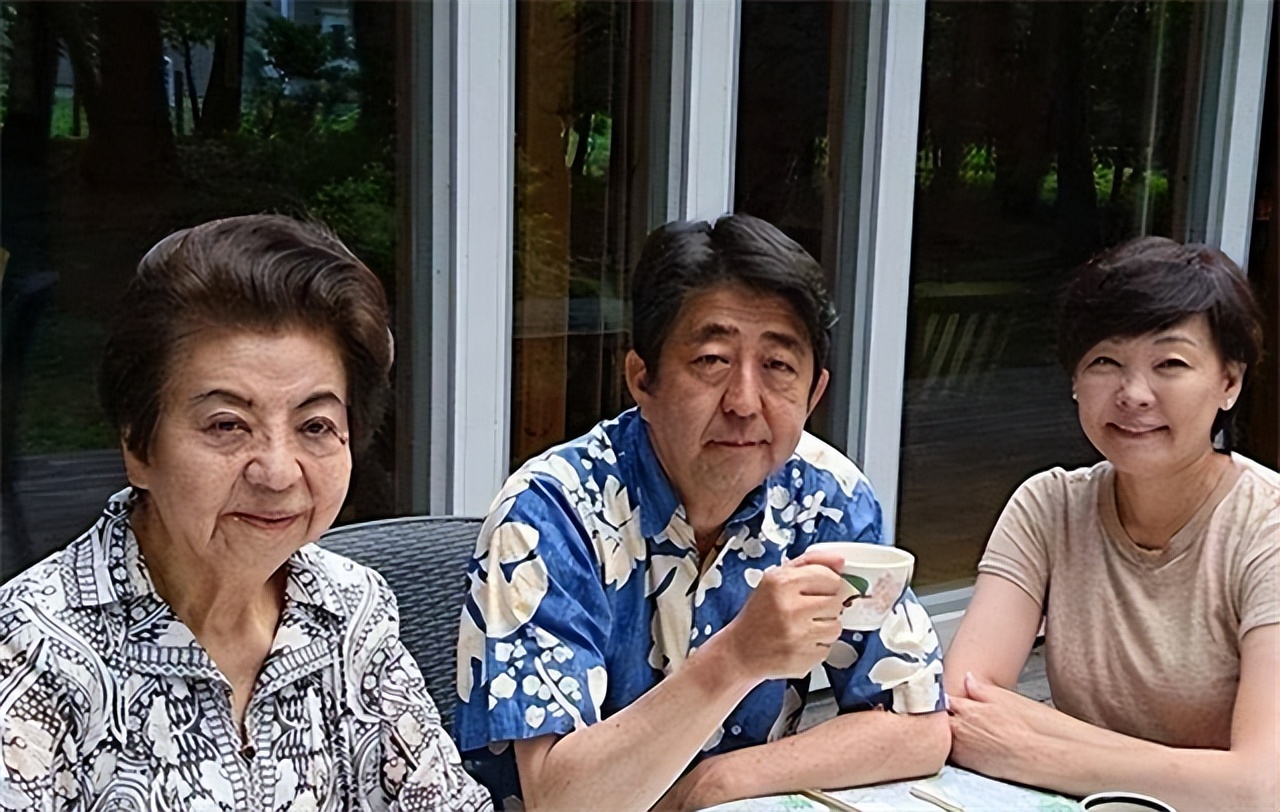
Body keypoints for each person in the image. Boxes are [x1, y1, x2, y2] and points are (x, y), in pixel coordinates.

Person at [454, 214, 949, 810]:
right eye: (712, 361)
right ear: (643, 378)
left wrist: (716, 783)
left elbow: (917, 726)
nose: (744, 402)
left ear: (813, 393)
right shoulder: (549, 514)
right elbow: (561, 800)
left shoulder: (827, 497)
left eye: (778, 366)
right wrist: (736, 658)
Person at [0, 215, 491, 811]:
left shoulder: (350, 609)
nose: (278, 472)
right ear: (137, 447)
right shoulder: (32, 653)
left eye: (315, 426)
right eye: (227, 425)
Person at [945, 237, 1278, 811]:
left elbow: (1257, 788)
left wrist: (1038, 750)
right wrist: (1197, 774)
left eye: (1170, 364)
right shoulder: (1049, 506)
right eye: (1105, 362)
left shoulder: (1265, 528)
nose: (1134, 394)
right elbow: (960, 702)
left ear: (1229, 382)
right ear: (1075, 378)